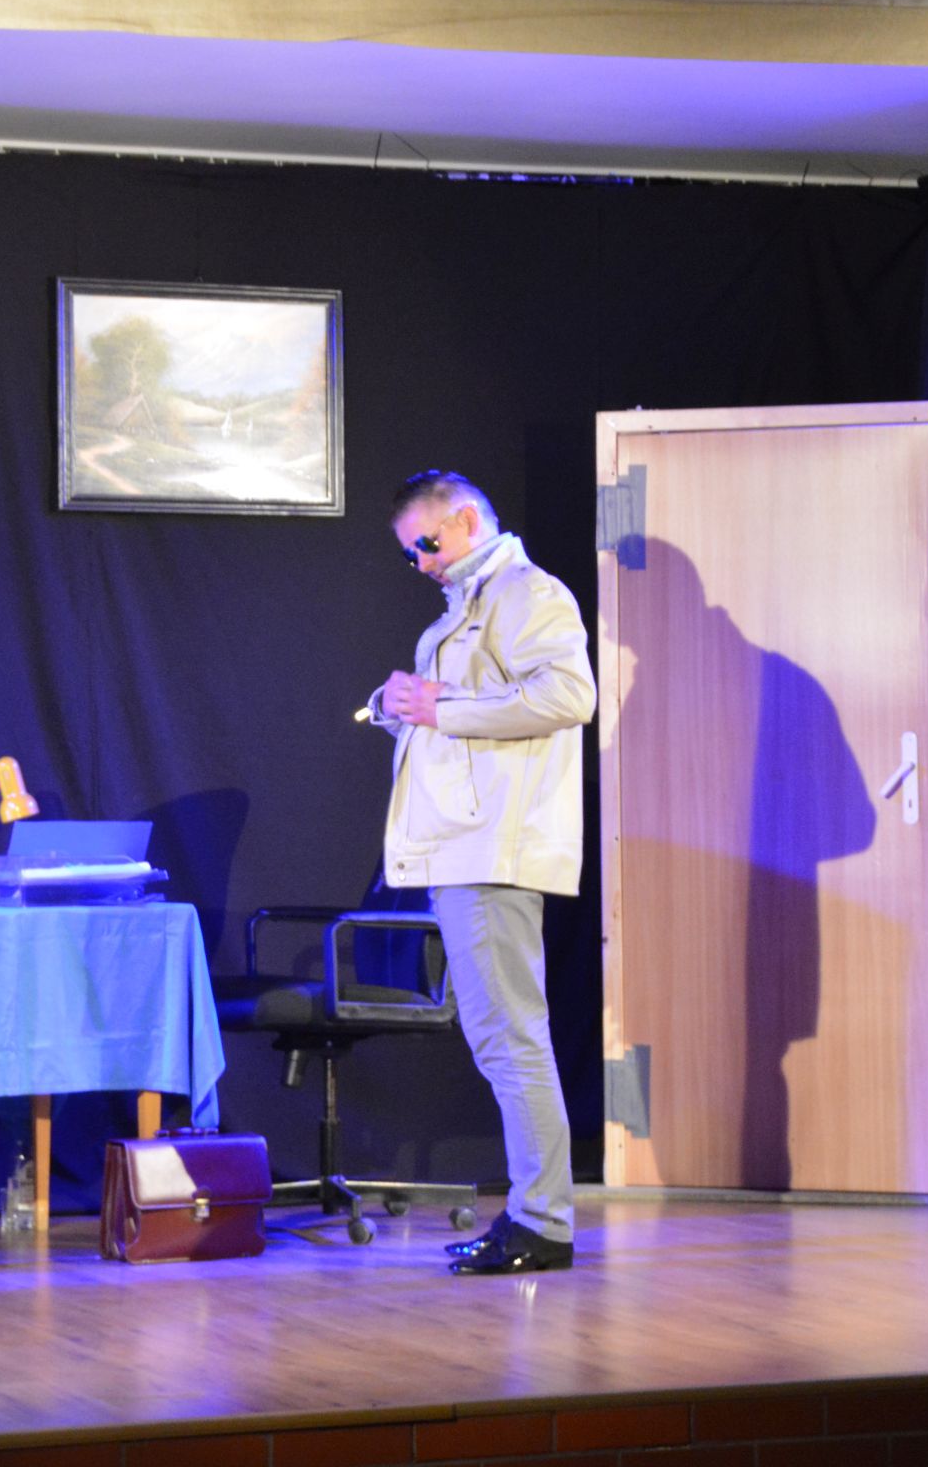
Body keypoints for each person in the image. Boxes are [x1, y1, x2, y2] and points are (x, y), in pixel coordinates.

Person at [368, 469, 593, 1275]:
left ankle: (542, 1224)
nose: (422, 563)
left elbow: (569, 695)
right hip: (464, 846)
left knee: (511, 1039)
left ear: (466, 521)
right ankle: (535, 1216)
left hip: (495, 847)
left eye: (427, 544)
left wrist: (445, 708)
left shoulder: (527, 593)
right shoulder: (463, 610)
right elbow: (451, 716)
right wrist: (397, 705)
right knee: (503, 1038)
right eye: (409, 555)